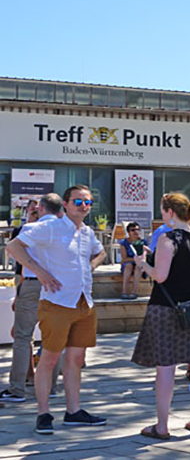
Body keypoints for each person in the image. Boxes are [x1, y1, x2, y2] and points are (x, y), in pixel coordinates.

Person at [6, 185, 107, 435]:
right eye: (78, 202)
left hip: (84, 303)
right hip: (57, 302)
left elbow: (101, 252)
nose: (83, 206)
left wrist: (90, 266)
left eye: (88, 202)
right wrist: (39, 272)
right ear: (65, 203)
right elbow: (14, 247)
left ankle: (74, 411)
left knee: (76, 360)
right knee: (49, 359)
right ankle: (43, 413)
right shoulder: (51, 227)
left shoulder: (86, 232)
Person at [131, 193, 190, 440]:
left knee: (166, 367)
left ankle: (162, 425)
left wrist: (142, 262)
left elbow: (160, 276)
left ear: (169, 212)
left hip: (165, 309)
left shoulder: (168, 238)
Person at [0, 193, 63, 403]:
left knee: (22, 337)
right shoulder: (66, 229)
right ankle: (51, 386)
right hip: (56, 285)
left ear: (42, 209)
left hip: (32, 283)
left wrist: (34, 268)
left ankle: (17, 388)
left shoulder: (30, 229)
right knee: (52, 338)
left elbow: (13, 250)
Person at [119, 222, 150, 300]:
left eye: (137, 230)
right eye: (133, 230)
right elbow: (124, 258)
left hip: (138, 264)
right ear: (128, 232)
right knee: (128, 265)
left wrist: (139, 260)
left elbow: (145, 256)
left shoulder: (143, 242)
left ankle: (134, 291)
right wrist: (136, 259)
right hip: (128, 263)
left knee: (138, 267)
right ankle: (124, 291)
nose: (136, 232)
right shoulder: (124, 242)